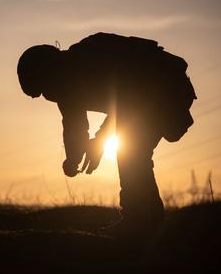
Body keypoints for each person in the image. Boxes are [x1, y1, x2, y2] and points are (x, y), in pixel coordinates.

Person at [17, 32, 196, 237]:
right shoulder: (67, 85)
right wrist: (73, 159)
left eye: (45, 87)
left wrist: (100, 140)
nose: (49, 94)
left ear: (51, 69)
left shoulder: (90, 58)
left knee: (133, 152)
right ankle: (146, 221)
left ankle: (142, 222)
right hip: (146, 99)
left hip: (166, 88)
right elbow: (74, 125)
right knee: (134, 150)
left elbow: (128, 102)